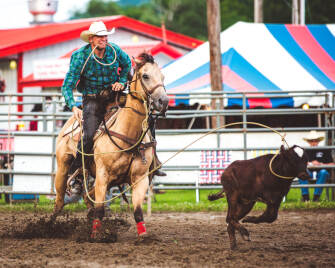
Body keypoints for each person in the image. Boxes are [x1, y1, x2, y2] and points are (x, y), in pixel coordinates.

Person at [62, 21, 164, 196]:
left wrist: (122, 82)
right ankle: (78, 171)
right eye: (100, 36)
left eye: (105, 35)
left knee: (146, 118)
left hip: (114, 96)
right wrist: (73, 106)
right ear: (91, 39)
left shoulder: (115, 51)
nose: (104, 39)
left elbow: (127, 66)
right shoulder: (80, 57)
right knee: (88, 135)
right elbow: (67, 85)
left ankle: (153, 160)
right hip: (92, 100)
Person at [299, 130, 335, 202]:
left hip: (321, 173)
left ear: (318, 141)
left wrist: (321, 164)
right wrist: (310, 163)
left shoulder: (325, 150)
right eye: (311, 141)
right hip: (309, 172)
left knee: (323, 172)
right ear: (308, 142)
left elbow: (332, 164)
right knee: (301, 173)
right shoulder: (305, 151)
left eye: (315, 140)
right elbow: (300, 163)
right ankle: (306, 198)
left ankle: (316, 197)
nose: (313, 142)